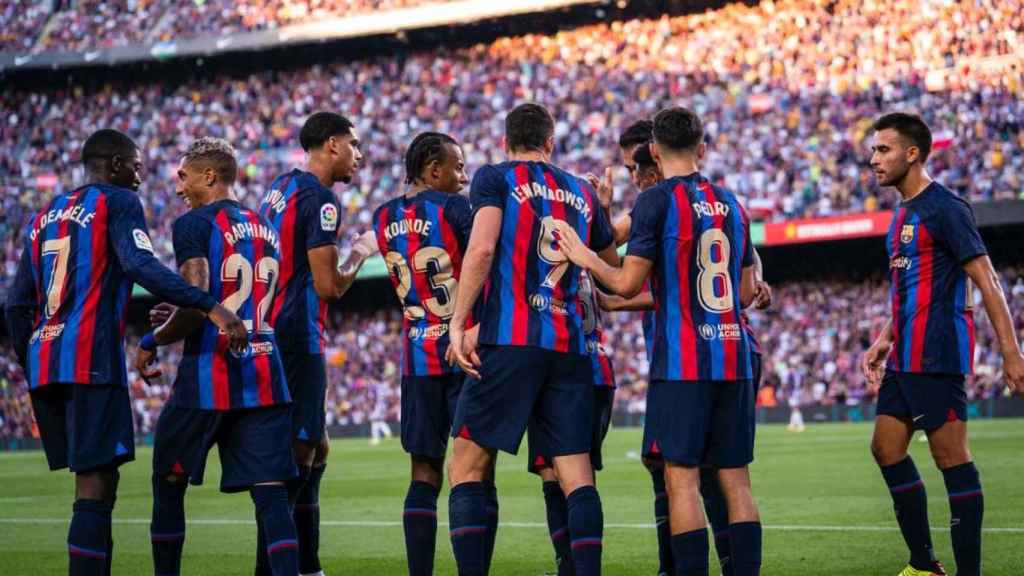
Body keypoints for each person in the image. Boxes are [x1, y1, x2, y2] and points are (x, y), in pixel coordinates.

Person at [3, 129, 248, 576]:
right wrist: (209, 304)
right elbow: (139, 265)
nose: (141, 177)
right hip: (90, 358)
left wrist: (32, 356)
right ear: (114, 165)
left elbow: (16, 303)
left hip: (46, 362)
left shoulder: (46, 214)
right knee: (94, 486)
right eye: (135, 166)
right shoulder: (118, 202)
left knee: (96, 482)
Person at [557, 106, 762, 576]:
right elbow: (747, 292)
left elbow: (626, 283)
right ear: (702, 148)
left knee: (682, 481)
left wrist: (585, 255)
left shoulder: (655, 202)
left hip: (682, 364)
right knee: (737, 482)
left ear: (653, 150)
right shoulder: (734, 203)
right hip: (734, 357)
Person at [446, 102, 618, 576]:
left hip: (510, 339)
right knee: (575, 472)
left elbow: (481, 247)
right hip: (569, 345)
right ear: (551, 142)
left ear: (506, 142)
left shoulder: (494, 177)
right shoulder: (582, 190)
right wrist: (602, 211)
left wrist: (459, 324)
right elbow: (610, 268)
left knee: (466, 463)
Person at [860, 112, 1024, 576]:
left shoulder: (945, 208)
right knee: (886, 449)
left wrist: (1012, 352)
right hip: (905, 355)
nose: (874, 159)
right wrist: (885, 337)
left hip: (936, 352)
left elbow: (987, 279)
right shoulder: (900, 216)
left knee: (951, 458)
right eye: (873, 150)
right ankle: (924, 565)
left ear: (912, 153)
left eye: (883, 149)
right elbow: (910, 288)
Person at [135, 138, 299, 576]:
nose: (178, 188)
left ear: (209, 175)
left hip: (207, 377)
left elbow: (200, 302)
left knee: (168, 482)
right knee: (271, 494)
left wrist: (152, 340)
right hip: (265, 374)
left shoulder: (194, 223)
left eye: (183, 176)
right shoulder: (264, 226)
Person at [257, 111, 378, 576]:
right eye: (354, 144)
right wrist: (362, 252)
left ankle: (308, 564)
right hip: (297, 333)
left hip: (271, 329)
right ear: (331, 144)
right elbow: (330, 286)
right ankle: (280, 568)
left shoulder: (280, 188)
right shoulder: (322, 199)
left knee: (318, 446)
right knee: (298, 453)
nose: (360, 155)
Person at [371, 131, 495, 574]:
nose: (464, 177)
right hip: (466, 352)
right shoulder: (456, 209)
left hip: (417, 355)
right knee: (476, 472)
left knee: (423, 472)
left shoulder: (381, 217)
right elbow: (486, 260)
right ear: (432, 169)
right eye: (457, 167)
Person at [527, 268, 616, 576]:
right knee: (571, 474)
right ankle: (573, 566)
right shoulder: (582, 257)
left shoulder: (544, 262)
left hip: (565, 371)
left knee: (563, 477)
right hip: (598, 368)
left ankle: (573, 567)